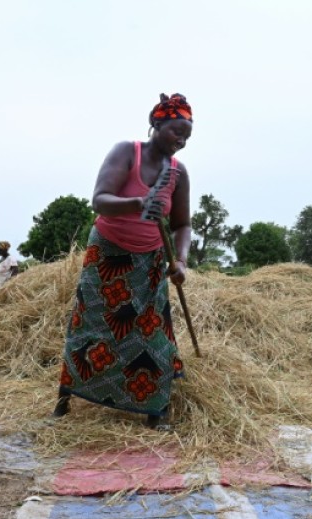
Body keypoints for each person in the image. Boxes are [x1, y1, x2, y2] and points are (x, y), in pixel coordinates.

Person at [52, 93, 193, 431]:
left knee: (152, 335)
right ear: (156, 124)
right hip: (108, 257)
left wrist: (182, 262)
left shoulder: (178, 172)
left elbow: (182, 225)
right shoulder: (126, 152)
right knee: (92, 328)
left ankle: (155, 410)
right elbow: (100, 200)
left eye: (187, 136)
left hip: (152, 263)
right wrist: (138, 203)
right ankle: (65, 399)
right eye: (176, 131)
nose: (182, 141)